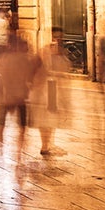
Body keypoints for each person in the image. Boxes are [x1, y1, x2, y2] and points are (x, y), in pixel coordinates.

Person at [0, 31, 42, 162]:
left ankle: (0, 148)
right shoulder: (25, 60)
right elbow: (34, 71)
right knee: (22, 126)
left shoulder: (3, 60)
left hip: (6, 98)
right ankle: (19, 152)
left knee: (1, 124)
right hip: (20, 97)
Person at [36, 27, 72, 157]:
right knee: (44, 118)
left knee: (51, 117)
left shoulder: (62, 54)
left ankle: (49, 142)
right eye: (54, 36)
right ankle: (45, 144)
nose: (57, 39)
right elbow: (38, 70)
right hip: (45, 90)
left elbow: (65, 74)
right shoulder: (43, 52)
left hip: (54, 90)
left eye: (59, 37)